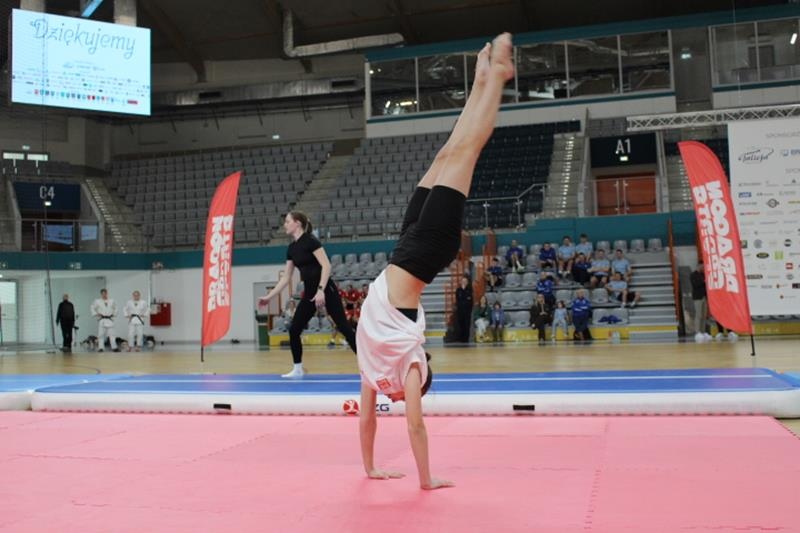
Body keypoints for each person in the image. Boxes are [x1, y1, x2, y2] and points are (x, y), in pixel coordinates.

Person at [356, 34, 514, 490]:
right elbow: (413, 424)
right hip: (426, 250)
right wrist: (425, 479)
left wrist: (371, 468)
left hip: (408, 246)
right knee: (465, 153)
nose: (399, 397)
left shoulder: (375, 368)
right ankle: (497, 78)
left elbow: (368, 421)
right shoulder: (406, 363)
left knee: (447, 153)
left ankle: (480, 84)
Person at [260, 211, 356, 378]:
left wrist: (321, 290)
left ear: (297, 223)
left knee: (345, 328)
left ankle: (369, 366)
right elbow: (286, 278)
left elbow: (326, 266)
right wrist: (269, 297)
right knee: (294, 330)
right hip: (310, 293)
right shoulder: (291, 249)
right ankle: (298, 368)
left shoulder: (311, 241)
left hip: (326, 290)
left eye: (287, 221)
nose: (285, 225)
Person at [690, 263, 710, 340]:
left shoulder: (703, 275)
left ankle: (703, 331)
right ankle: (697, 332)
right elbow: (695, 284)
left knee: (704, 315)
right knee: (698, 315)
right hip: (698, 298)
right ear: (698, 266)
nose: (703, 268)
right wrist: (703, 281)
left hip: (704, 297)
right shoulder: (693, 275)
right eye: (702, 267)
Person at [454, 275, 473, 343]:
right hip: (460, 311)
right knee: (461, 325)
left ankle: (466, 339)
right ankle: (461, 339)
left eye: (465, 281)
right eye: (463, 281)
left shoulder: (469, 290)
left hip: (467, 311)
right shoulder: (458, 290)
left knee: (467, 325)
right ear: (461, 282)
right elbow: (458, 300)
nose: (464, 282)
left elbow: (470, 300)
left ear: (467, 282)